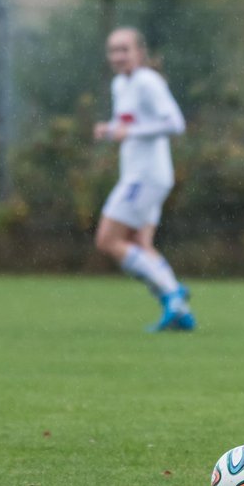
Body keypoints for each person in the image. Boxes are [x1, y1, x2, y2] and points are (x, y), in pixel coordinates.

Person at [92, 26, 195, 332]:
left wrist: (129, 132)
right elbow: (129, 123)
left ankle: (172, 292)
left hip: (145, 177)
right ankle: (180, 312)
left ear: (139, 52)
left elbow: (175, 123)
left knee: (108, 240)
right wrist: (110, 130)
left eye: (125, 49)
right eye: (113, 50)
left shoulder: (148, 81)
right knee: (140, 243)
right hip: (146, 176)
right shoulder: (120, 85)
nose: (118, 56)